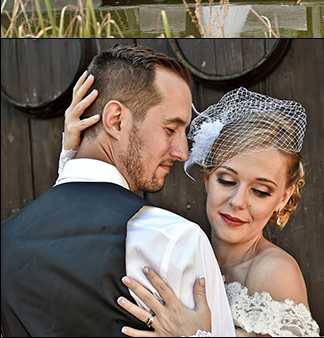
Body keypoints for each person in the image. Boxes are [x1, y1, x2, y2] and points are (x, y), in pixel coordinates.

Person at [0, 45, 236, 337]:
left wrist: (71, 159)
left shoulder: (6, 241)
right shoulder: (176, 241)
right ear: (116, 120)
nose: (183, 152)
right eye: (170, 129)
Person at [63, 81, 324, 336]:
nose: (237, 201)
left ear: (284, 197)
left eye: (260, 191)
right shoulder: (179, 249)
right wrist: (73, 157)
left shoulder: (274, 273)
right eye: (227, 180)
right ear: (207, 177)